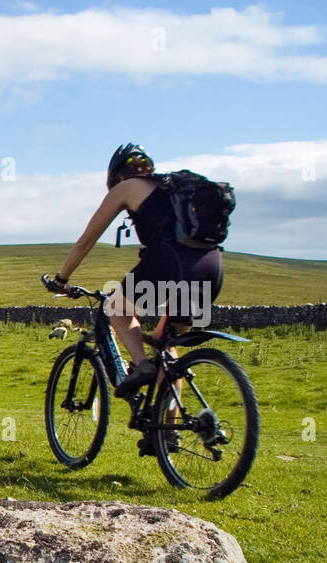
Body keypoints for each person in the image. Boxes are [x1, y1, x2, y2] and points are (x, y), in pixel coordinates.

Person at [45, 144, 224, 399]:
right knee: (167, 345)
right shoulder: (170, 191)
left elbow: (86, 242)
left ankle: (141, 366)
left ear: (116, 175)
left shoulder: (126, 187)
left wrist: (61, 279)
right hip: (211, 266)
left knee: (116, 308)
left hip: (171, 261)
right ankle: (168, 435)